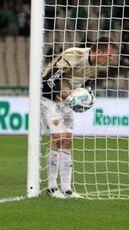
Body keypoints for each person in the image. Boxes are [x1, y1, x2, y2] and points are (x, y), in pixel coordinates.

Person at [41, 36, 118, 198]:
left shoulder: (94, 65)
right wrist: (61, 94)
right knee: (58, 137)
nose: (111, 59)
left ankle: (67, 189)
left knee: (68, 139)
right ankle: (52, 187)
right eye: (109, 55)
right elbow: (49, 79)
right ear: (98, 51)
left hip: (66, 101)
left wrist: (84, 98)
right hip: (50, 99)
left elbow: (82, 84)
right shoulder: (74, 55)